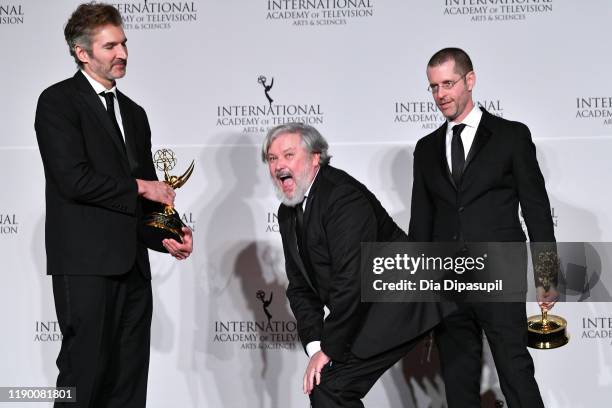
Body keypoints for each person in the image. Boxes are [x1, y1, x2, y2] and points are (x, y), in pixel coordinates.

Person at [34, 3, 192, 407]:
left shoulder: (135, 114)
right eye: (110, 46)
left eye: (123, 43)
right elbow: (73, 180)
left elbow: (142, 205)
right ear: (82, 52)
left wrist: (168, 235)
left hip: (133, 270)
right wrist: (142, 187)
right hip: (85, 267)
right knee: (82, 379)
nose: (122, 53)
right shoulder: (57, 103)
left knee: (128, 383)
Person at [408, 47, 557, 407]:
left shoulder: (511, 136)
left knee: (515, 373)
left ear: (469, 80)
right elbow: (421, 225)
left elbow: (536, 210)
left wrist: (547, 274)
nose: (440, 94)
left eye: (448, 83)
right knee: (459, 385)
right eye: (433, 87)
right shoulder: (426, 149)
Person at [262, 122, 450, 407]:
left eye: (288, 155)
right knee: (327, 387)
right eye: (272, 159)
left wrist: (329, 350)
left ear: (316, 157)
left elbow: (352, 280)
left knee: (330, 388)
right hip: (368, 306)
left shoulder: (341, 196)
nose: (278, 166)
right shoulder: (288, 212)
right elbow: (300, 288)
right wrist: (315, 347)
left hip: (404, 299)